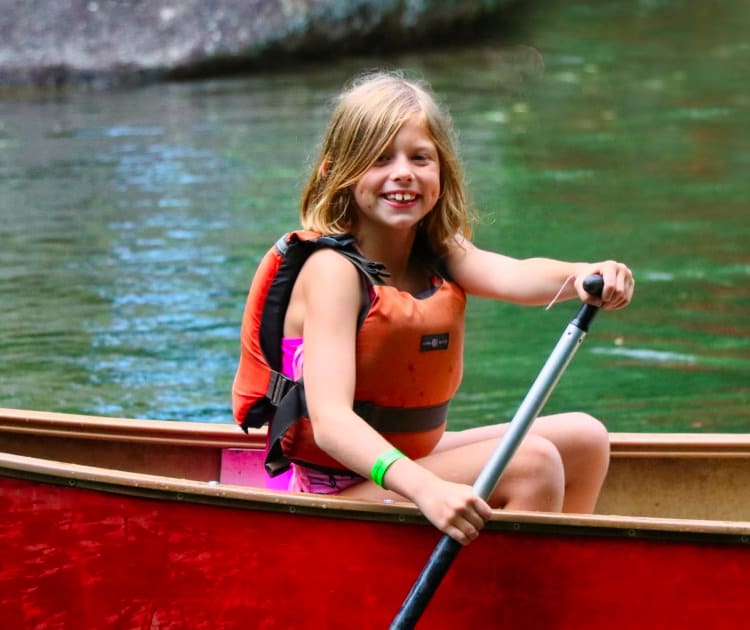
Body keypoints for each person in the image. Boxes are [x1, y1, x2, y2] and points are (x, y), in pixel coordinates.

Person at [233, 70, 634, 546]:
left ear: (441, 174)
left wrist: (587, 273)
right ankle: (508, 605)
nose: (403, 172)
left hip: (413, 461)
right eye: (380, 159)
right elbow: (332, 423)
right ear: (335, 173)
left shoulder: (437, 251)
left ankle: (556, 581)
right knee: (533, 464)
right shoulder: (332, 272)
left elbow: (515, 275)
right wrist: (425, 487)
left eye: (420, 158)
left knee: (584, 439)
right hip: (339, 491)